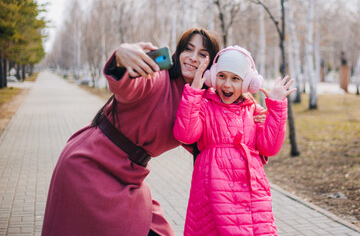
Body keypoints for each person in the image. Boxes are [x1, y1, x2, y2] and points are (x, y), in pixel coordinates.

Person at [41, 27, 220, 236]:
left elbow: (215, 141)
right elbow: (127, 86)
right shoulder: (159, 77)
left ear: (212, 63)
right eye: (188, 50)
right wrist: (121, 58)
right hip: (91, 165)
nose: (192, 58)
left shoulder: (199, 102)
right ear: (178, 52)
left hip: (130, 176)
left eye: (202, 54)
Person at [173, 46, 297, 235]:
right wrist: (194, 92)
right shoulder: (205, 105)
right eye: (221, 76)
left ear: (248, 83)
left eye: (235, 78)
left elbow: (270, 148)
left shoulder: (253, 109)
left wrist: (276, 109)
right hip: (215, 193)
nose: (227, 85)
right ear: (213, 77)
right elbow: (186, 135)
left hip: (252, 193)